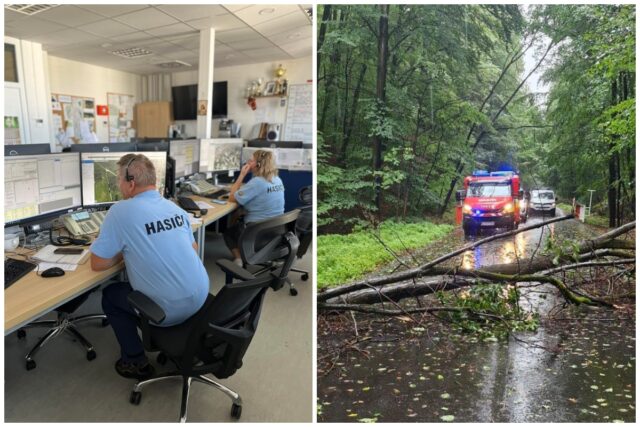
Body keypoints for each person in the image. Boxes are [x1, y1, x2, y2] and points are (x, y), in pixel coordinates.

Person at [90, 153, 209, 380]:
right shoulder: (174, 208)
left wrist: (127, 253)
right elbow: (192, 249)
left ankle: (135, 361)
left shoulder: (120, 211)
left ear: (131, 183)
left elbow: (97, 263)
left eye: (119, 180)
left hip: (168, 311)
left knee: (111, 295)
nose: (119, 184)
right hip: (201, 301)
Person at [224, 150, 285, 266]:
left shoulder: (257, 182)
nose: (248, 162)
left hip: (256, 231)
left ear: (258, 164)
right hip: (275, 230)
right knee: (238, 213)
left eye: (251, 161)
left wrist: (241, 175)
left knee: (229, 232)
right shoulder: (277, 179)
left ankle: (239, 259)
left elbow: (231, 198)